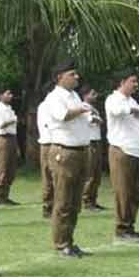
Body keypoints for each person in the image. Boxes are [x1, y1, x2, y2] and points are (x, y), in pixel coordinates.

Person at [44, 62, 97, 257]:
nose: (77, 77)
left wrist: (88, 115)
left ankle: (70, 241)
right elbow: (63, 116)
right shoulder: (54, 97)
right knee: (64, 200)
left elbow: (80, 117)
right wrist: (83, 109)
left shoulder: (74, 96)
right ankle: (61, 243)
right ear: (59, 77)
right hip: (64, 152)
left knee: (75, 201)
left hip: (80, 150)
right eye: (72, 74)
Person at [104, 71, 139, 243]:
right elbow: (117, 111)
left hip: (137, 151)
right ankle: (122, 229)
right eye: (133, 81)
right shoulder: (113, 99)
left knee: (133, 192)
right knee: (123, 191)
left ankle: (130, 226)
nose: (135, 84)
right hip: (123, 150)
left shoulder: (132, 100)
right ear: (122, 82)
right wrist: (132, 109)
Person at [0, 89, 19, 205]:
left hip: (12, 138)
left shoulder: (9, 109)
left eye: (11, 94)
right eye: (8, 94)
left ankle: (5, 195)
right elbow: (0, 125)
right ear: (0, 95)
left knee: (11, 168)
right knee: (3, 167)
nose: (10, 96)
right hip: (4, 138)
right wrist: (12, 120)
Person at [80, 86, 106, 211]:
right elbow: (92, 120)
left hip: (97, 141)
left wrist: (98, 119)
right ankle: (86, 201)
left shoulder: (93, 108)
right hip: (89, 141)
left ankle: (93, 199)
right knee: (89, 173)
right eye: (93, 93)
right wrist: (98, 119)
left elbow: (99, 120)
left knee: (97, 174)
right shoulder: (83, 107)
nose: (96, 96)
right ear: (85, 95)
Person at [36, 89, 55, 219]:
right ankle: (48, 207)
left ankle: (55, 206)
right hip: (48, 143)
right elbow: (48, 124)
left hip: (55, 143)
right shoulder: (46, 106)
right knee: (49, 177)